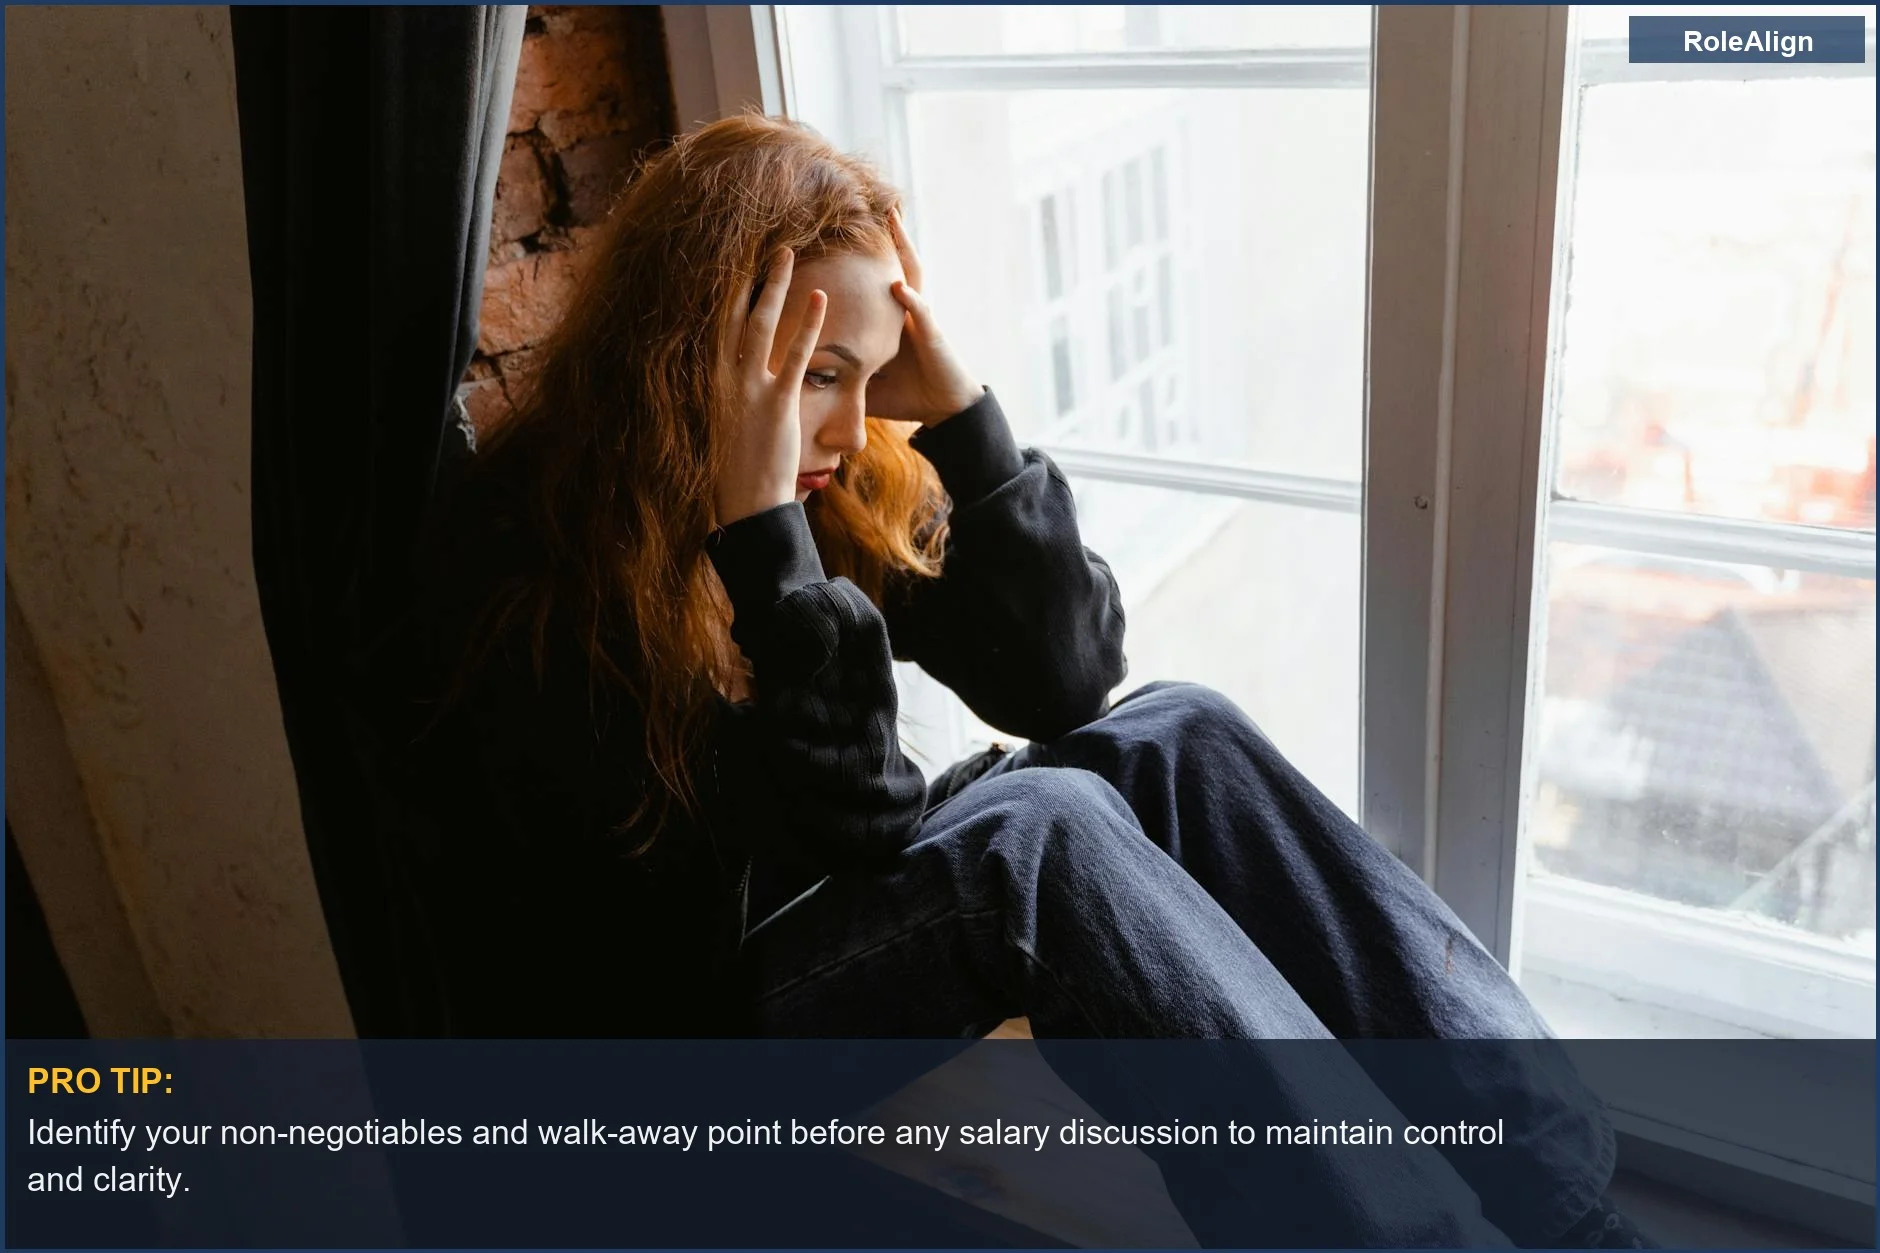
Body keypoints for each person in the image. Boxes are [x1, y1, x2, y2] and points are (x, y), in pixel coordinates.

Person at [404, 114, 1652, 1248]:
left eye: (869, 370)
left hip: (798, 908)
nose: (846, 425)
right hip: (669, 1041)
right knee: (1034, 834)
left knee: (1176, 732)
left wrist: (959, 411)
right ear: (693, 350)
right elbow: (851, 826)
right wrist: (765, 545)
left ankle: (1561, 1208)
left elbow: (1064, 679)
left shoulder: (828, 480)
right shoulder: (534, 562)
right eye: (818, 375)